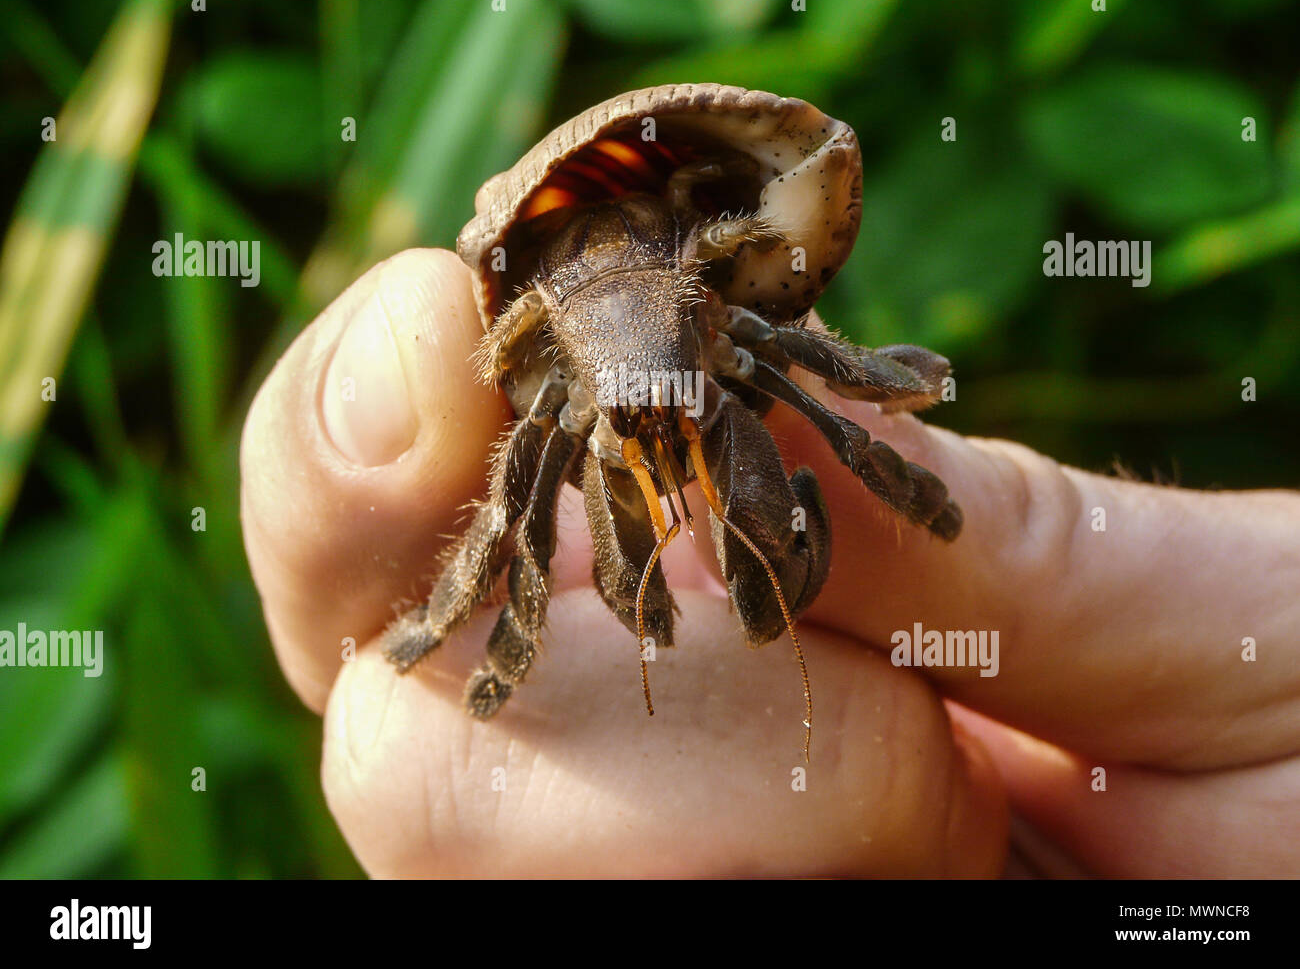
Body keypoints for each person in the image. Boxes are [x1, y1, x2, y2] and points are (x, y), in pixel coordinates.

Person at [240, 248, 1300, 878]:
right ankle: (495, 640)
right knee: (526, 534)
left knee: (817, 435)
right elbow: (521, 498)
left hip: (684, 338)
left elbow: (802, 383)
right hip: (606, 354)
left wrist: (879, 401)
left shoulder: (727, 338)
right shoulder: (566, 404)